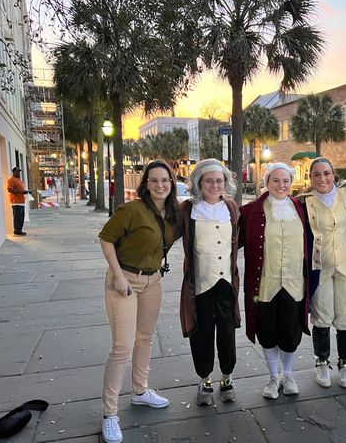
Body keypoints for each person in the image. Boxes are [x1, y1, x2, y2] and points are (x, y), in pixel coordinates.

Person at [97, 160, 181, 443]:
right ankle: (109, 414)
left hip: (153, 281)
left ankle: (140, 391)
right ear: (145, 184)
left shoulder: (174, 214)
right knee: (121, 347)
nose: (160, 185)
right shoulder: (131, 210)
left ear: (172, 183)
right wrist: (118, 276)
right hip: (124, 280)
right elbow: (106, 239)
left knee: (144, 338)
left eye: (165, 180)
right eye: (154, 180)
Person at [239, 162, 310, 399]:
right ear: (267, 182)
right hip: (264, 285)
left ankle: (287, 374)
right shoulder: (251, 211)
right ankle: (273, 376)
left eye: (286, 180)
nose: (281, 185)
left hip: (294, 283)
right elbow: (229, 238)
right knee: (267, 331)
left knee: (290, 333)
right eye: (276, 180)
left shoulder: (301, 208)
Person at [179, 159, 241, 406]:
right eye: (209, 180)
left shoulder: (232, 208)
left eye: (219, 180)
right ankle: (204, 378)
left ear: (225, 182)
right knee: (201, 332)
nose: (214, 185)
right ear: (199, 183)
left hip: (225, 282)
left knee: (227, 332)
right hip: (200, 284)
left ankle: (227, 377)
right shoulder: (188, 210)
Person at [300, 157, 346, 388]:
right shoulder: (304, 202)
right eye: (316, 174)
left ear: (333, 174)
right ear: (311, 178)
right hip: (320, 268)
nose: (322, 178)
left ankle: (345, 364)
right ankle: (322, 362)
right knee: (322, 317)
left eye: (326, 173)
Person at [6, 167, 30, 236]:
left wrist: (25, 192)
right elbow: (10, 190)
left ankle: (20, 230)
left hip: (21, 202)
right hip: (16, 202)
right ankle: (17, 230)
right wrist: (21, 192)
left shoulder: (19, 180)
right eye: (17, 172)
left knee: (21, 217)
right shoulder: (11, 180)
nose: (18, 173)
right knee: (17, 217)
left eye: (19, 172)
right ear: (13, 172)